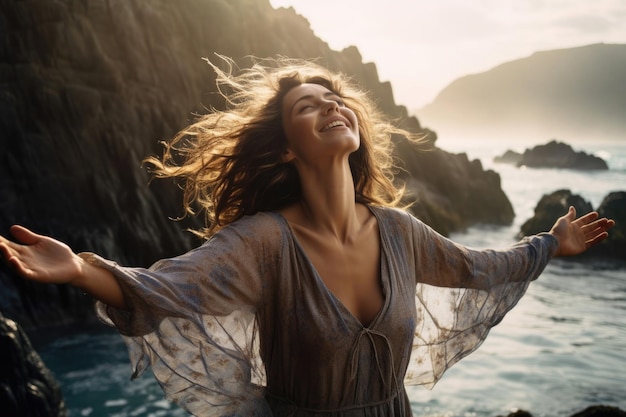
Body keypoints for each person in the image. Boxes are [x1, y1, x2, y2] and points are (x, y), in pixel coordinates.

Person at [0, 56, 615, 417]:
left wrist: (549, 245)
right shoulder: (263, 243)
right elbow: (166, 290)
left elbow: (480, 268)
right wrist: (80, 270)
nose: (332, 106)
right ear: (288, 149)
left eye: (337, 98)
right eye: (308, 106)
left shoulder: (399, 232)